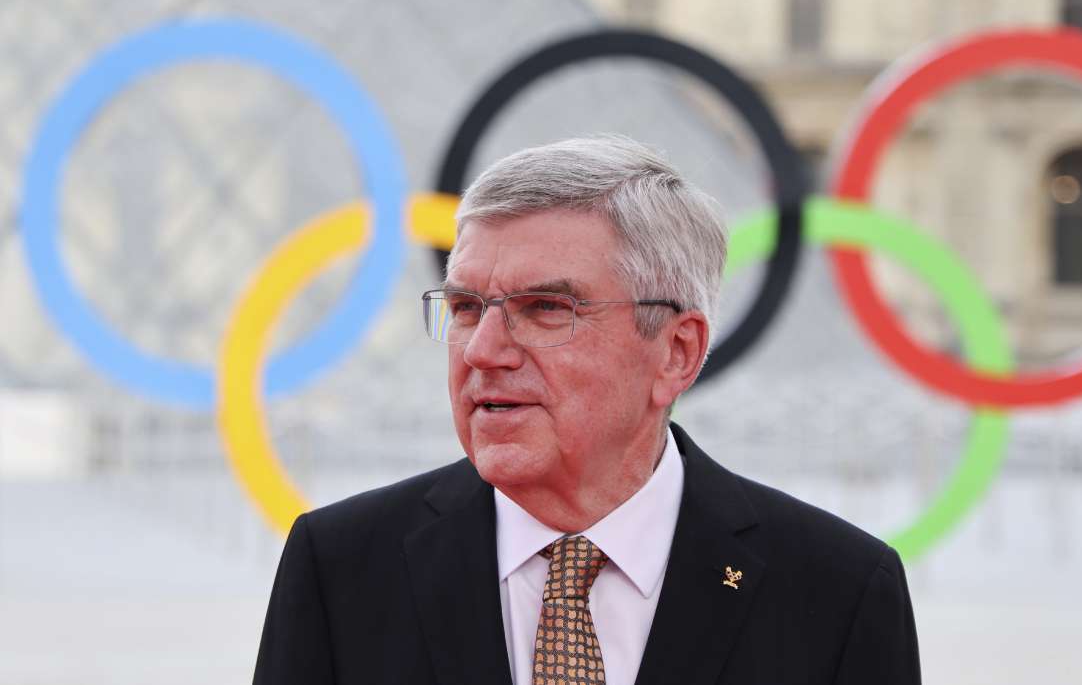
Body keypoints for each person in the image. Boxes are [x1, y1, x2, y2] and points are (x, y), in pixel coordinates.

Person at [254, 136, 921, 685]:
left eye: (545, 308)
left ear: (675, 353)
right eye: (464, 309)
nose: (484, 351)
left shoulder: (838, 592)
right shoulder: (341, 570)